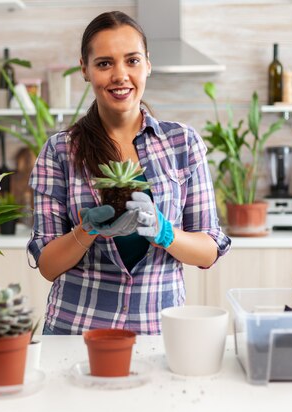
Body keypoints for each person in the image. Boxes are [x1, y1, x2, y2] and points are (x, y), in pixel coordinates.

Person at [27, 11, 231, 335]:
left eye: (132, 61)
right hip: (77, 331)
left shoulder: (183, 143)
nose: (120, 75)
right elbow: (48, 266)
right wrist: (87, 230)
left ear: (148, 64)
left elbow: (208, 251)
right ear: (85, 69)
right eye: (105, 63)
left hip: (159, 333)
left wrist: (166, 233)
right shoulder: (60, 151)